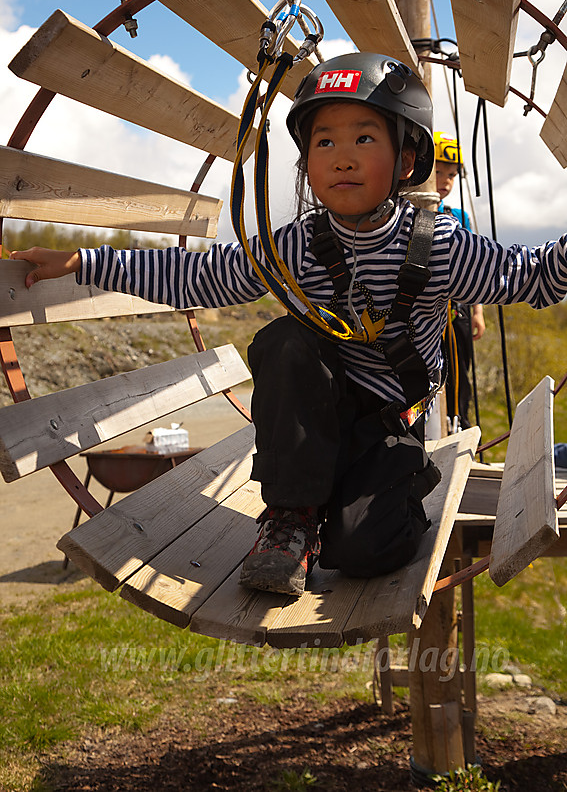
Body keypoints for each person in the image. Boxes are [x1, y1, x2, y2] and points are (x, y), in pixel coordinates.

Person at [11, 53, 567, 599]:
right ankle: (291, 520)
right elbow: (202, 277)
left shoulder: (439, 247)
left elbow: (534, 277)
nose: (342, 158)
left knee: (365, 555)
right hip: (312, 418)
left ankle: (376, 495)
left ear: (406, 160)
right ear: (306, 162)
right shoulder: (296, 246)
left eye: (364, 139)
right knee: (283, 341)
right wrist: (88, 262)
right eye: (325, 142)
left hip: (386, 422)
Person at [434, 131, 485, 430]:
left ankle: (459, 423)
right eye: (439, 172)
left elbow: (473, 268)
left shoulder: (459, 218)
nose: (445, 181)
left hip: (456, 312)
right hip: (424, 311)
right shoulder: (409, 210)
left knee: (458, 372)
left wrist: (477, 310)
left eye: (451, 175)